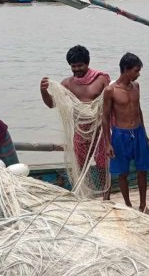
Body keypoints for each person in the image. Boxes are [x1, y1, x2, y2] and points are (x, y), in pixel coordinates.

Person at [40, 45, 111, 198]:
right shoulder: (66, 84)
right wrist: (43, 91)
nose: (77, 69)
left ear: (88, 63)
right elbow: (52, 104)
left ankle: (106, 196)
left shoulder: (101, 79)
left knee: (103, 165)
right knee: (79, 165)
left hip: (99, 131)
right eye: (73, 66)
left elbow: (112, 102)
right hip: (80, 131)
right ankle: (83, 194)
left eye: (80, 65)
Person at [103, 53, 149, 215]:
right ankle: (128, 204)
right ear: (126, 70)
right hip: (120, 134)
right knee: (123, 172)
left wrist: (144, 132)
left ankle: (143, 205)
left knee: (142, 170)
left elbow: (139, 110)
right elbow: (104, 117)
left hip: (138, 132)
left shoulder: (136, 86)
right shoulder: (110, 90)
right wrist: (108, 142)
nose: (138, 74)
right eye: (136, 70)